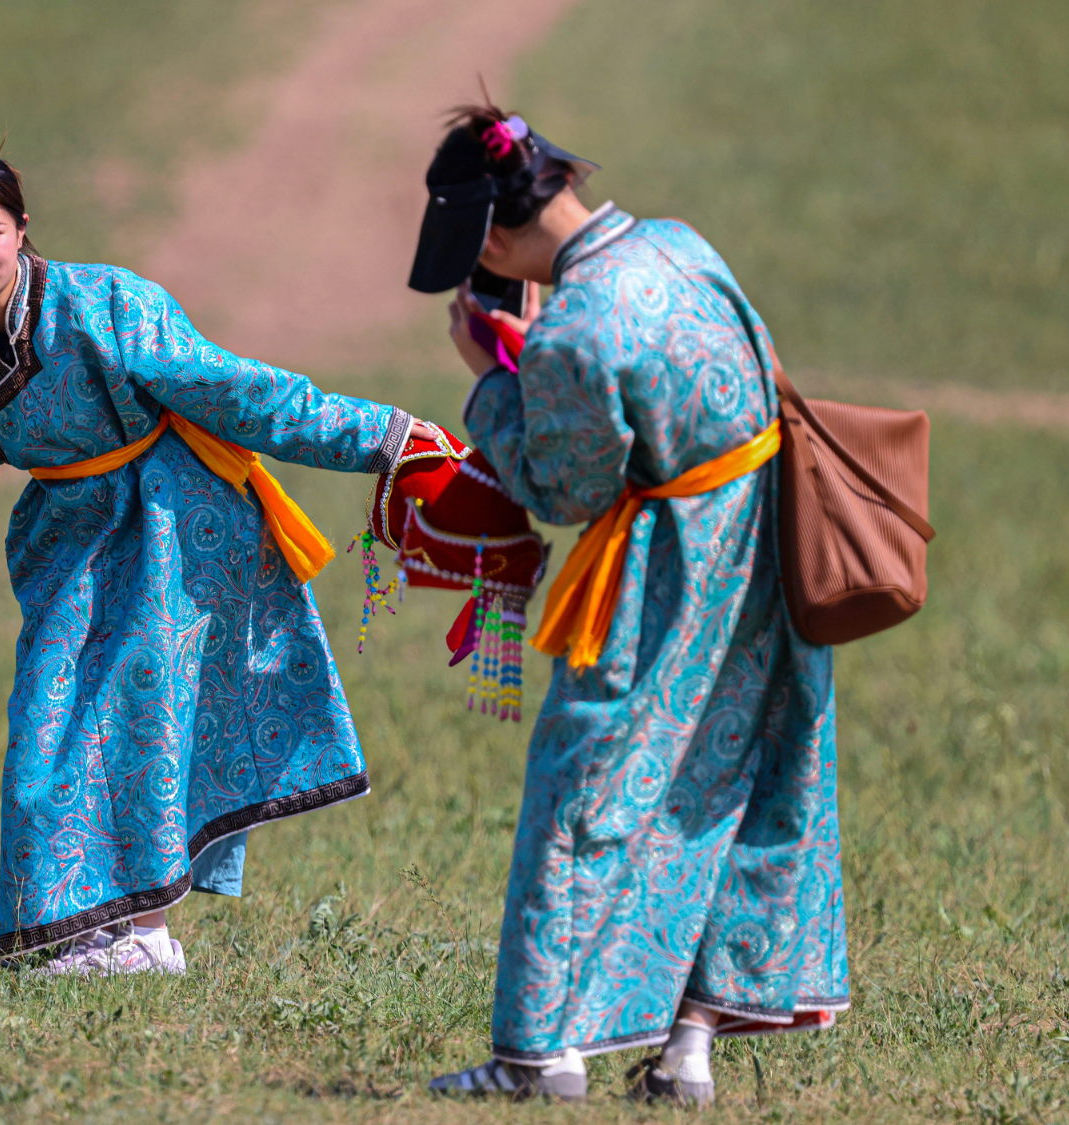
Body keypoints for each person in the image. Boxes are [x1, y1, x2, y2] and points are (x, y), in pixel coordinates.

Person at [0, 134, 436, 975]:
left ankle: (141, 935)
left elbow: (240, 393)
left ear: (23, 229)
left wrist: (384, 437)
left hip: (177, 520)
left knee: (146, 719)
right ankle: (94, 934)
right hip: (68, 537)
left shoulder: (110, 304)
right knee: (47, 726)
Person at [412, 105, 846, 1105]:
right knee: (727, 779)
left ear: (492, 240)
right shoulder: (677, 245)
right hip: (769, 544)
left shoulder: (573, 327)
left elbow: (563, 488)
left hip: (668, 570)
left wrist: (490, 384)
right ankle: (687, 1048)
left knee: (582, 793)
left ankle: (538, 1055)